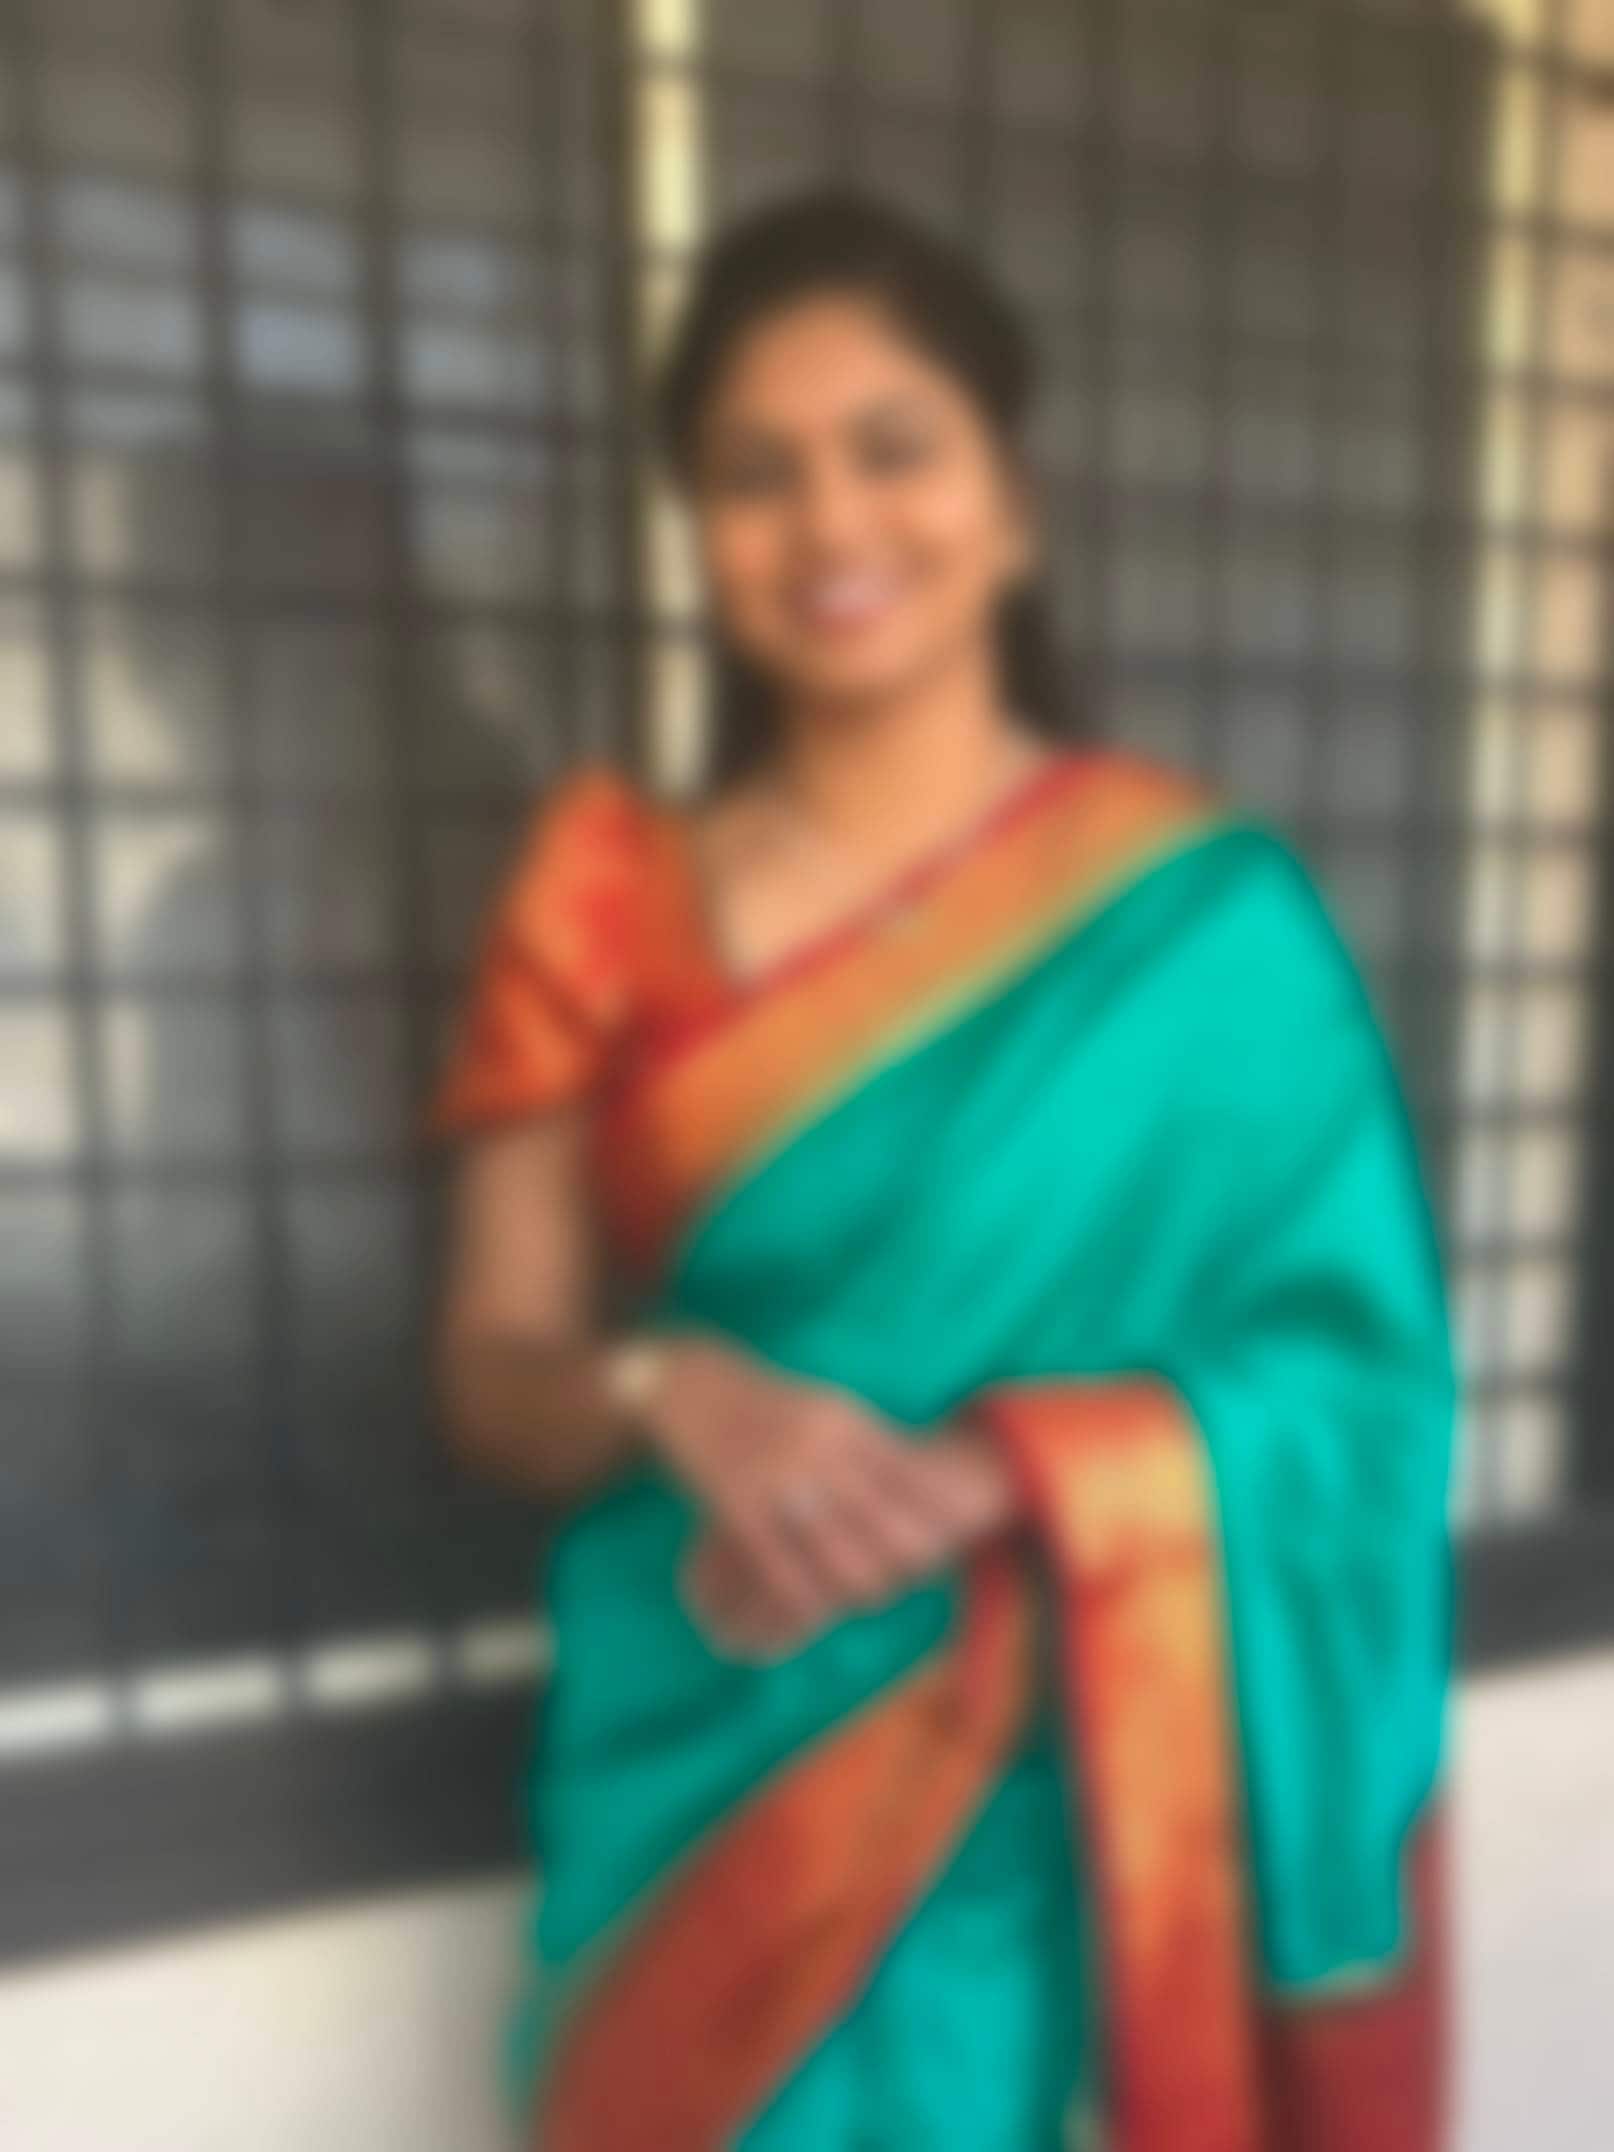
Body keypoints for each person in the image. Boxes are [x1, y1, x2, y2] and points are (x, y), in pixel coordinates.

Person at [418, 185, 1459, 2152]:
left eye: (893, 449)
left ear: (1014, 508)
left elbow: (1361, 1392)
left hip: (1067, 1782)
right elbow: (493, 1364)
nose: (831, 524)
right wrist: (659, 1384)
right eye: (756, 476)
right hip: (698, 1771)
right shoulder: (601, 889)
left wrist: (1027, 1477)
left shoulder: (1207, 926)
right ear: (700, 536)